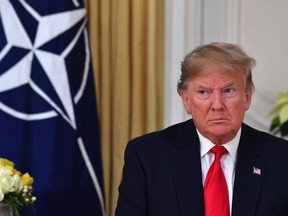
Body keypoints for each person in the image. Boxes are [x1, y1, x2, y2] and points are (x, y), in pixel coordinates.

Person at [115, 42, 288, 216]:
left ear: (247, 97)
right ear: (186, 100)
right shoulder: (147, 156)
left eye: (228, 90)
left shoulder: (281, 158)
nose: (217, 105)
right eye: (204, 92)